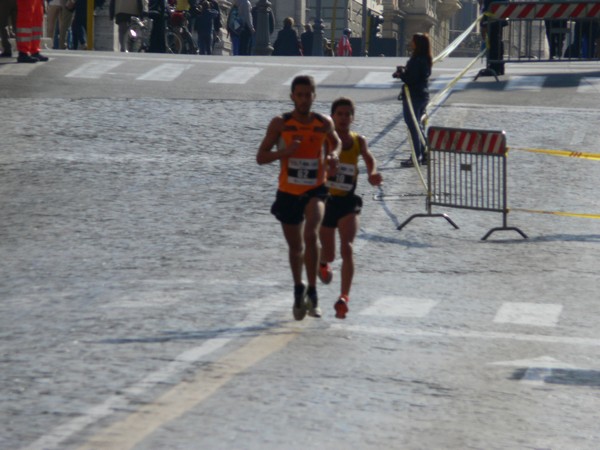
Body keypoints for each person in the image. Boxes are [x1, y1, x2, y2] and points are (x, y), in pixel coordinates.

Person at [256, 75, 341, 320]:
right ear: (292, 97)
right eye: (300, 95)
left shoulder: (323, 123)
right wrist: (285, 152)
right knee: (296, 247)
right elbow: (261, 157)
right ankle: (298, 288)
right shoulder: (280, 123)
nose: (304, 100)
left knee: (311, 232)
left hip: (316, 188)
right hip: (288, 191)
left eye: (308, 95)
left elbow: (335, 144)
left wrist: (333, 156)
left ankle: (313, 292)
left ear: (314, 96)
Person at [319, 97, 382, 319]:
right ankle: (323, 262)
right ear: (332, 117)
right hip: (325, 203)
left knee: (347, 248)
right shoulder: (325, 140)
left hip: (347, 202)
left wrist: (373, 172)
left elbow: (369, 158)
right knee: (330, 252)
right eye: (340, 114)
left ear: (353, 118)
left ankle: (344, 297)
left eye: (348, 114)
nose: (344, 118)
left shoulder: (358, 140)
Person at [392, 32, 432, 167]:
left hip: (413, 97)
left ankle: (416, 156)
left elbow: (411, 79)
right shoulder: (425, 59)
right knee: (418, 125)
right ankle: (425, 152)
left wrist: (401, 75)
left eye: (413, 41)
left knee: (413, 126)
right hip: (423, 95)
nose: (410, 42)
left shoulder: (416, 60)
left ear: (417, 44)